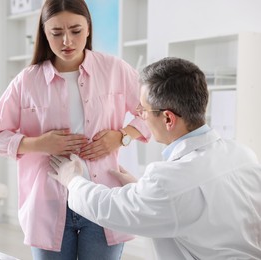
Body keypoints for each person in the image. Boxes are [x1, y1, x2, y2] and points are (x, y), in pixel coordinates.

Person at [0, 0, 150, 259]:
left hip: (103, 198)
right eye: (56, 33)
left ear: (89, 29)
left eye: (75, 30)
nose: (67, 41)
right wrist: (39, 143)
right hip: (47, 204)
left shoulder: (115, 69)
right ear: (44, 33)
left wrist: (122, 136)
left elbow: (154, 113)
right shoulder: (27, 81)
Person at [49, 57, 261, 260]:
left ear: (168, 118)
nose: (140, 115)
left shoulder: (171, 180)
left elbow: (111, 209)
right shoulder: (242, 154)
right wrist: (142, 189)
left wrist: (73, 180)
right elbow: (196, 205)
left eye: (143, 110)